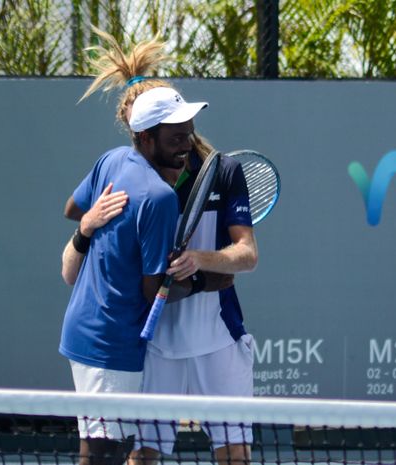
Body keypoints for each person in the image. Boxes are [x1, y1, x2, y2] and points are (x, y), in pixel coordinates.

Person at [63, 30, 258, 465]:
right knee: (141, 455)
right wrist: (91, 224)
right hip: (153, 342)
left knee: (235, 455)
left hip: (217, 338)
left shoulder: (221, 172)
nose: (185, 138)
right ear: (142, 135)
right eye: (173, 130)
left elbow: (247, 255)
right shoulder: (131, 178)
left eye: (186, 126)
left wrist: (199, 264)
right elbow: (75, 223)